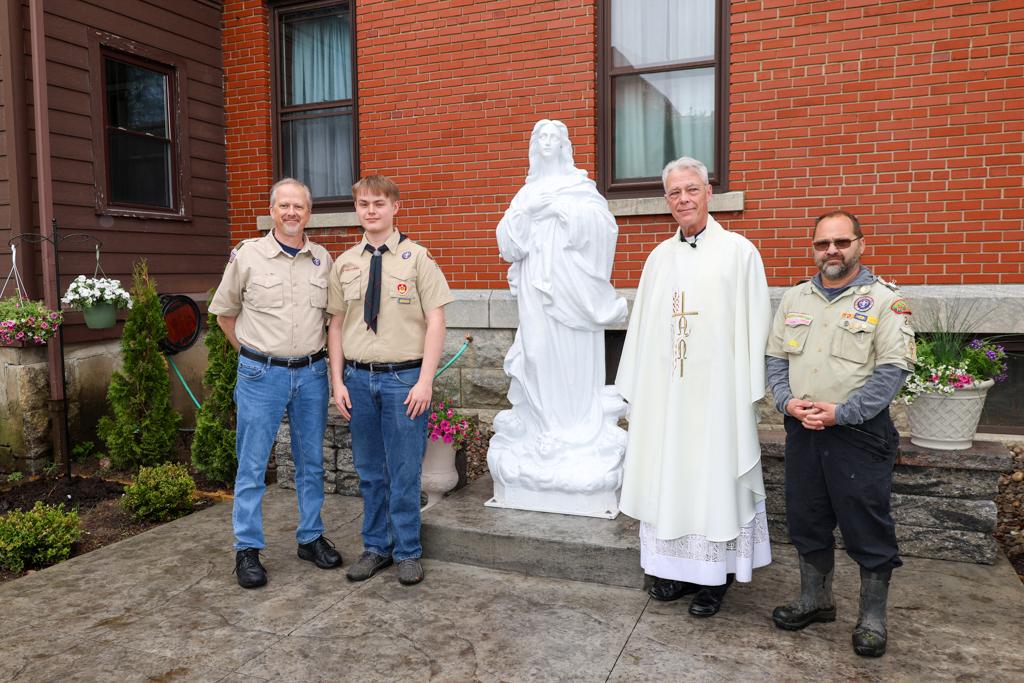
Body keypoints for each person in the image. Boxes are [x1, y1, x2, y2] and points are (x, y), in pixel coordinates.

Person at [615, 156, 772, 617]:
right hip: (668, 397)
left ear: (708, 193)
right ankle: (675, 571)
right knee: (671, 477)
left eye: (691, 190)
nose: (683, 199)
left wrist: (746, 389)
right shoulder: (658, 259)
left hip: (718, 397)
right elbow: (643, 330)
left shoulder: (739, 253)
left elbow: (755, 323)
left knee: (714, 479)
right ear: (667, 200)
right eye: (674, 193)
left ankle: (715, 579)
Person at [766, 210, 915, 657]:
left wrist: (844, 413)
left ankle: (872, 618)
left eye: (841, 242)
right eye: (822, 243)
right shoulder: (795, 298)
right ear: (813, 248)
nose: (831, 251)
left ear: (860, 245)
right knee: (806, 518)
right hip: (803, 429)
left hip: (859, 435)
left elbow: (893, 371)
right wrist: (786, 402)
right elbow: (776, 359)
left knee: (865, 524)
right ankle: (816, 600)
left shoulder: (886, 301)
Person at [488, 119, 628, 511]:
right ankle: (542, 428)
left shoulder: (579, 187)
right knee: (535, 354)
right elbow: (507, 243)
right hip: (536, 288)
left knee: (572, 357)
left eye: (554, 137)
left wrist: (567, 212)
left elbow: (605, 228)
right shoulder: (527, 192)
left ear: (564, 146)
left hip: (572, 288)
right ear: (534, 146)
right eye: (541, 137)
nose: (547, 142)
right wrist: (528, 212)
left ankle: (574, 433)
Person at [210, 177, 341, 589]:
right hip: (261, 375)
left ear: (309, 213)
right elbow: (224, 315)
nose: (291, 212)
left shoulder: (322, 260)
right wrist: (253, 356)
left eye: (298, 206)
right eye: (284, 205)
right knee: (252, 465)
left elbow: (332, 320)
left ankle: (311, 537)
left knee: (311, 463)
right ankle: (247, 548)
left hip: (312, 375)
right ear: (272, 211)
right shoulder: (248, 255)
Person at [327, 174, 453, 586]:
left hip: (404, 381)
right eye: (364, 204)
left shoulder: (418, 259)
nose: (371, 210)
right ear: (356, 209)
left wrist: (425, 381)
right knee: (369, 472)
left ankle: (408, 551)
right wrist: (337, 382)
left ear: (395, 207)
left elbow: (436, 321)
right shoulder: (345, 263)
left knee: (403, 471)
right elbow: (335, 325)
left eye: (379, 203)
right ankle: (376, 548)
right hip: (358, 381)